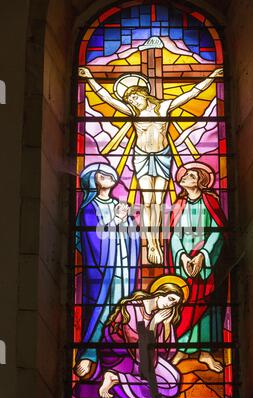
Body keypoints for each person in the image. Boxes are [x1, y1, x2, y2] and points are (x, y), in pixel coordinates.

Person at [79, 67, 223, 265]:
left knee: (158, 201)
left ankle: (157, 239)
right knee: (147, 201)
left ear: (144, 94)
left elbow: (192, 93)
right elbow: (107, 98)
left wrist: (211, 77)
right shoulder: (132, 111)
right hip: (142, 156)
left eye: (135, 98)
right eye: (130, 101)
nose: (133, 103)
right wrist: (90, 79)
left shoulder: (164, 107)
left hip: (163, 157)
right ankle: (152, 243)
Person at [74, 163, 140, 379]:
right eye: (102, 175)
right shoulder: (89, 209)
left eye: (111, 175)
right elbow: (92, 239)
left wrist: (127, 224)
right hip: (102, 272)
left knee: (121, 308)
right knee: (100, 309)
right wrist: (116, 220)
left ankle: (120, 349)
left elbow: (133, 237)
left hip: (123, 265)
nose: (109, 177)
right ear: (93, 181)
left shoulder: (118, 204)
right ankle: (90, 352)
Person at [166, 162, 228, 372]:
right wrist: (182, 257)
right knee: (184, 302)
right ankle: (182, 348)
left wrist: (203, 255)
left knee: (206, 303)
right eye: (183, 176)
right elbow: (174, 234)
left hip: (206, 262)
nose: (184, 177)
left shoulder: (210, 201)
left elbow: (218, 231)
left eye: (190, 175)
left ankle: (205, 352)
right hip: (183, 263)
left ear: (200, 179)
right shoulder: (179, 204)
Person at [98, 275, 189, 398]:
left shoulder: (160, 315)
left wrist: (167, 325)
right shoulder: (132, 307)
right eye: (170, 299)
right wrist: (153, 323)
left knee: (173, 385)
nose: (170, 304)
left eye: (174, 303)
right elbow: (134, 342)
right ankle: (113, 375)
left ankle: (118, 379)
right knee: (165, 385)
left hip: (147, 357)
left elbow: (166, 351)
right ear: (160, 293)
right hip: (122, 356)